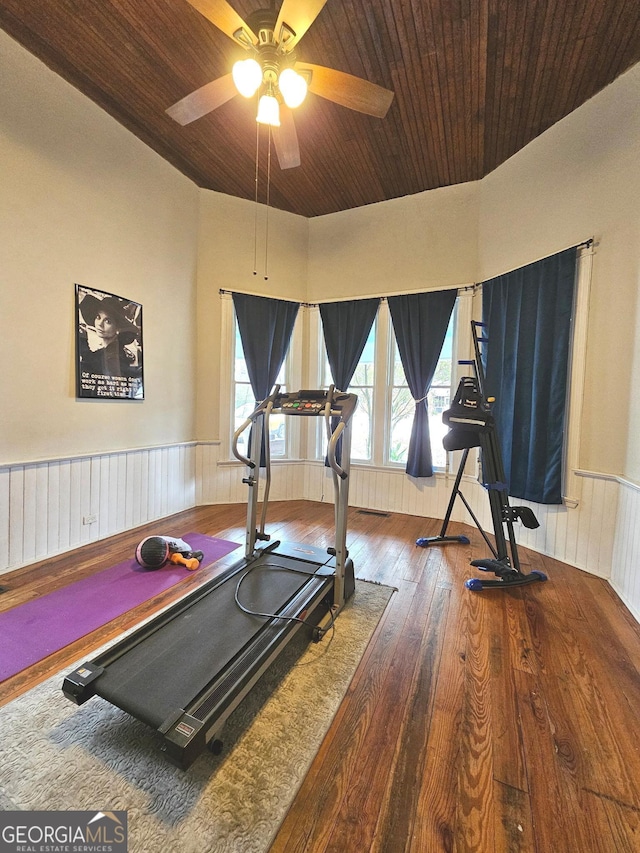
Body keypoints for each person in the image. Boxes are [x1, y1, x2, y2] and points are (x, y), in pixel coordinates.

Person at [78, 294, 141, 379]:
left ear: (118, 328)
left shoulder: (113, 356)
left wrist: (82, 341)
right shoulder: (114, 350)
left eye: (107, 321)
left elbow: (90, 365)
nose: (100, 324)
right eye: (98, 317)